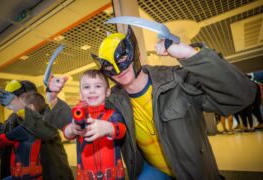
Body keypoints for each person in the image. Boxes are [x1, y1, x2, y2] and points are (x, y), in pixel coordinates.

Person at [51, 24, 256, 179]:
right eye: (110, 66)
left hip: (194, 173)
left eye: (122, 60)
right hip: (151, 172)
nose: (119, 70)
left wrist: (190, 55)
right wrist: (53, 97)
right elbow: (77, 116)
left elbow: (242, 95)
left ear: (136, 55)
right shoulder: (112, 99)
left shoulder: (176, 80)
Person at [63, 70, 126, 180]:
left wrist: (108, 128)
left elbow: (122, 130)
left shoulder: (112, 114)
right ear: (81, 94)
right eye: (86, 87)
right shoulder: (78, 116)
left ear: (107, 92)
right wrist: (72, 128)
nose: (92, 91)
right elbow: (66, 133)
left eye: (98, 86)